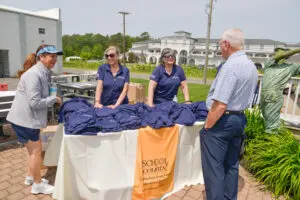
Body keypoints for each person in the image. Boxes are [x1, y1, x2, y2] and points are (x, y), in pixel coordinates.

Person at [200, 29, 258, 200]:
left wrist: (207, 126)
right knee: (231, 164)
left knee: (214, 169)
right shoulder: (250, 65)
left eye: (220, 44)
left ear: (226, 44)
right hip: (239, 119)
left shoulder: (230, 66)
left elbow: (220, 104)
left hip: (222, 121)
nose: (219, 48)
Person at [6, 44, 63, 195]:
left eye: (56, 56)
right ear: (42, 57)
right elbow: (35, 103)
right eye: (51, 56)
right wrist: (53, 99)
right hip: (25, 120)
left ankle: (31, 177)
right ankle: (37, 185)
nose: (54, 59)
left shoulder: (44, 72)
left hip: (23, 119)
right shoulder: (34, 74)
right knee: (36, 151)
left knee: (32, 151)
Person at [260, 47, 300, 132]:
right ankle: (272, 139)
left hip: (274, 97)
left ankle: (271, 142)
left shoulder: (291, 67)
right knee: (267, 121)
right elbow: (279, 56)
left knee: (271, 126)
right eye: (276, 52)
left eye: (278, 51)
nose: (276, 54)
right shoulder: (269, 63)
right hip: (264, 97)